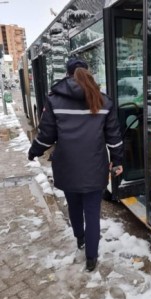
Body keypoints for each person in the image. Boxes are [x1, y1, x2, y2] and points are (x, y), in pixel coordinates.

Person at [28, 58, 124, 271]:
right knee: (92, 212)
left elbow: (46, 135)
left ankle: (79, 238)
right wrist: (117, 161)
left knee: (74, 205)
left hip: (67, 167)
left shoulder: (54, 100)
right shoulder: (104, 101)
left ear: (68, 74)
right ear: (87, 72)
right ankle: (91, 259)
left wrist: (34, 152)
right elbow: (114, 137)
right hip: (95, 168)